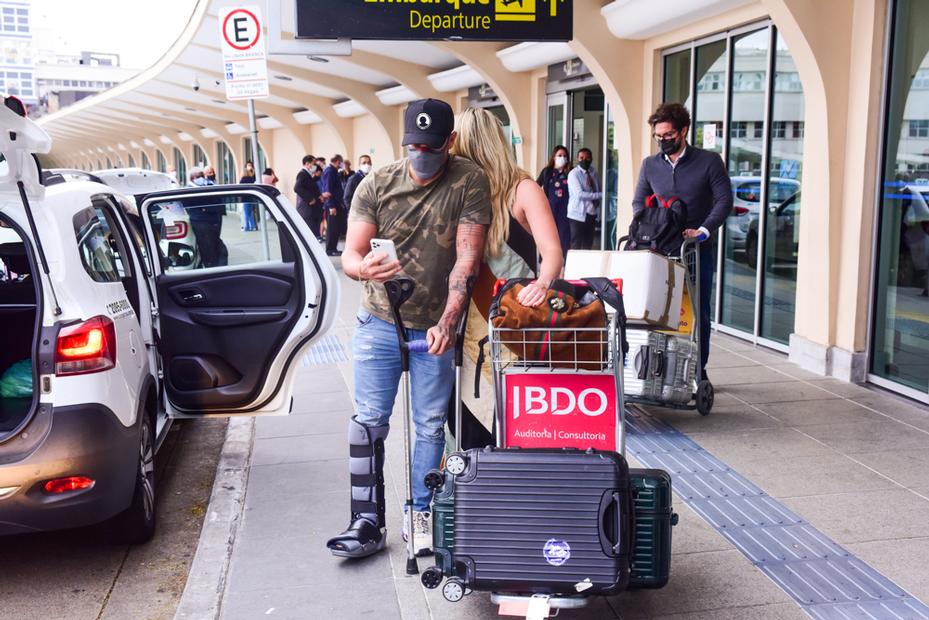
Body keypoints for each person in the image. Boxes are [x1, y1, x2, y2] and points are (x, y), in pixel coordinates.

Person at [326, 98, 490, 559]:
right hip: (379, 318)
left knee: (429, 426)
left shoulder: (468, 180)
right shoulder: (376, 183)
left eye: (431, 147)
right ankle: (366, 520)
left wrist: (448, 322)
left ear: (450, 143)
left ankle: (422, 514)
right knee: (369, 423)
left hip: (435, 324)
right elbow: (352, 253)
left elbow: (467, 258)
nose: (422, 155)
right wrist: (364, 269)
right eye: (413, 146)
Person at [449, 106, 564, 449]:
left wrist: (543, 284)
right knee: (483, 407)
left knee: (497, 406)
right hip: (479, 318)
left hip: (509, 318)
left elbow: (552, 253)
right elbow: (552, 253)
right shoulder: (467, 188)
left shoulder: (522, 188)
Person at [633, 102, 732, 377]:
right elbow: (639, 203)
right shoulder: (650, 165)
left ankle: (698, 370)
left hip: (696, 249)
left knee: (697, 310)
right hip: (660, 249)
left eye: (668, 135)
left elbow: (724, 200)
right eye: (658, 136)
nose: (663, 141)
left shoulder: (708, 161)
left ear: (683, 131)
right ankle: (658, 369)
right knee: (658, 309)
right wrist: (648, 230)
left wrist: (704, 229)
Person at [538, 145, 572, 256]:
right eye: (559, 155)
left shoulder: (570, 172)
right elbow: (536, 186)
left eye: (564, 156)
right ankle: (547, 259)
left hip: (566, 211)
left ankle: (563, 263)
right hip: (550, 209)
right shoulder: (547, 171)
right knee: (549, 236)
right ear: (554, 157)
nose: (562, 157)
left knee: (564, 237)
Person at [567, 148, 602, 250]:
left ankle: (586, 265)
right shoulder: (574, 174)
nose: (584, 160)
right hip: (577, 214)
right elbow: (580, 194)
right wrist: (600, 195)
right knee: (576, 244)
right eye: (581, 158)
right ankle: (574, 265)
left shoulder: (593, 172)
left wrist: (599, 196)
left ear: (591, 159)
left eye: (587, 158)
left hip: (591, 213)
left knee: (588, 243)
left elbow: (597, 188)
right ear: (577, 158)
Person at [294, 155, 324, 239]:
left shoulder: (308, 175)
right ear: (307, 164)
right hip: (307, 211)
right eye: (314, 164)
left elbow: (309, 187)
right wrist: (310, 199)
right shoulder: (302, 174)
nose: (315, 166)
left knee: (313, 233)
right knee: (310, 236)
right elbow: (297, 188)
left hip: (312, 211)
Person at [322, 154, 346, 257]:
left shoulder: (334, 171)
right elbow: (328, 189)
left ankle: (333, 248)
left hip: (336, 203)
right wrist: (331, 206)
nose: (341, 164)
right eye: (341, 162)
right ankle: (330, 249)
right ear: (337, 161)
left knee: (336, 228)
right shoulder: (330, 171)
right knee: (332, 228)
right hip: (333, 205)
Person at [240, 161, 257, 231]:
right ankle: (253, 226)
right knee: (250, 213)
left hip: (245, 198)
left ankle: (247, 227)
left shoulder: (243, 180)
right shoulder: (252, 179)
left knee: (247, 213)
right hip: (251, 197)